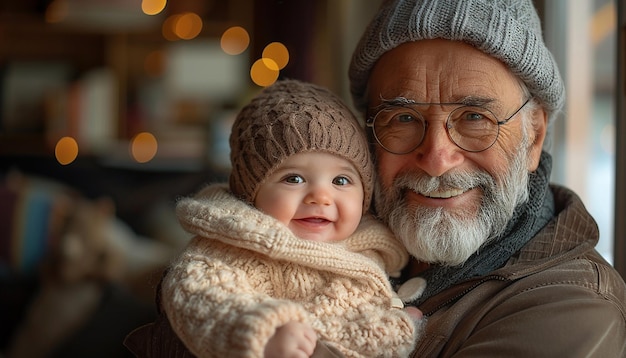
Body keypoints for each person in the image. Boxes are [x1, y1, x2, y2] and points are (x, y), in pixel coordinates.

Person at [339, 0, 626, 356]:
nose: (436, 160)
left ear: (534, 136)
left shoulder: (570, 306)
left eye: (474, 117)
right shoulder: (326, 240)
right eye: (403, 118)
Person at [126, 79, 421, 358]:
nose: (321, 197)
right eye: (293, 178)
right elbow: (196, 294)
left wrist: (393, 322)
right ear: (251, 194)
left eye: (341, 181)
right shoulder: (238, 248)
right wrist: (265, 331)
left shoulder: (375, 244)